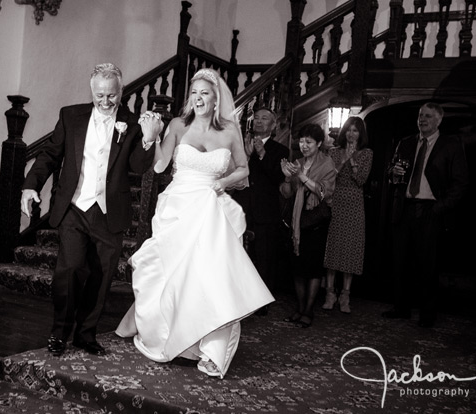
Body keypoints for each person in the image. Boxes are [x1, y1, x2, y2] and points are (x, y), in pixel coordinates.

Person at [115, 68, 274, 378]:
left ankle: (212, 350)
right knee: (172, 276)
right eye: (194, 93)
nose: (198, 98)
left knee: (212, 278)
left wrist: (223, 181)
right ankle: (168, 335)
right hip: (178, 208)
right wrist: (153, 139)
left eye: (205, 93)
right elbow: (161, 165)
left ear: (216, 99)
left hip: (211, 210)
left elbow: (244, 170)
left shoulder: (229, 130)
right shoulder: (177, 125)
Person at [20, 63, 159, 356]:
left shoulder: (132, 124)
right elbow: (49, 155)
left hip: (110, 212)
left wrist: (148, 139)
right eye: (100, 96)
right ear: (92, 91)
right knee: (68, 271)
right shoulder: (70, 115)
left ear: (121, 91)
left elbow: (137, 166)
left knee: (101, 276)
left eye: (112, 95)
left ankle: (86, 334)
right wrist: (31, 185)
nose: (106, 102)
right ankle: (59, 333)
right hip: (74, 207)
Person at [382, 102, 468, 328]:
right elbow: (391, 172)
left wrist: (439, 208)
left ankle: (427, 314)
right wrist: (394, 173)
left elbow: (460, 184)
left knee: (427, 265)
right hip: (404, 208)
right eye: (420, 115)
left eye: (428, 116)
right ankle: (401, 308)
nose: (422, 119)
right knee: (400, 262)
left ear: (439, 120)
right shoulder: (406, 142)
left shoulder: (450, 145)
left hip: (431, 210)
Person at [232, 108, 289, 315]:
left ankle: (261, 302)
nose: (259, 122)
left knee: (264, 257)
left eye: (264, 119)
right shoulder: (240, 145)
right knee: (239, 254)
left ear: (273, 126)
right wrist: (247, 156)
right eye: (256, 118)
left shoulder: (280, 150)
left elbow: (277, 179)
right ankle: (237, 298)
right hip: (241, 206)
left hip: (266, 210)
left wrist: (262, 155)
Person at [280, 124, 336, 328]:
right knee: (297, 267)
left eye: (308, 142)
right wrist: (287, 176)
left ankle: (308, 310)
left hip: (316, 220)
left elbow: (324, 193)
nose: (303, 146)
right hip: (297, 219)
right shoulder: (297, 162)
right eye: (301, 141)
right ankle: (300, 308)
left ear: (319, 143)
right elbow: (286, 193)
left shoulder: (327, 163)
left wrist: (302, 176)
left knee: (312, 268)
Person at [322, 116, 373, 313]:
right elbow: (328, 176)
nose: (351, 134)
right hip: (334, 199)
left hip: (354, 203)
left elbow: (361, 179)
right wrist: (342, 160)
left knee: (350, 248)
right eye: (349, 130)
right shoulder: (334, 151)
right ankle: (329, 293)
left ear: (361, 134)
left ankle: (345, 295)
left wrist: (352, 162)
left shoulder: (366, 153)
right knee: (333, 247)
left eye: (355, 131)